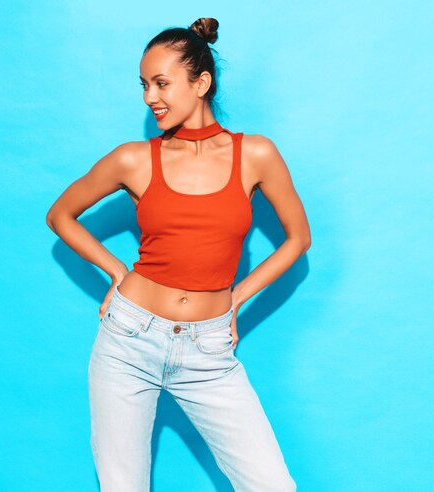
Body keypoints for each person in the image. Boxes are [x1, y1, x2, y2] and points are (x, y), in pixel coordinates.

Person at [45, 17, 310, 492]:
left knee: (272, 485)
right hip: (128, 340)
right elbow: (60, 214)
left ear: (201, 82)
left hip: (208, 351)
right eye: (145, 85)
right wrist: (115, 271)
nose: (150, 97)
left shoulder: (256, 155)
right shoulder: (134, 159)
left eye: (162, 83)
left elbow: (298, 238)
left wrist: (236, 297)